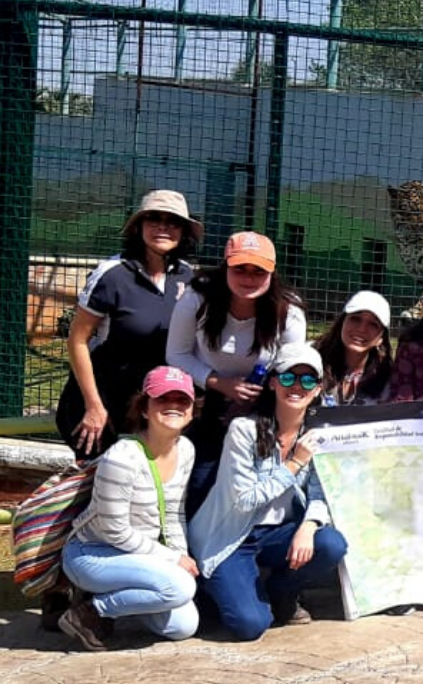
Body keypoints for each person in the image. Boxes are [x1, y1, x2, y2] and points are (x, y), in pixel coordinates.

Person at [188, 344, 348, 640]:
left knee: (330, 544)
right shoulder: (243, 430)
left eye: (307, 380)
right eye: (288, 378)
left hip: (279, 533)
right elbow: (245, 499)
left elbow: (321, 493)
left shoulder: (316, 435)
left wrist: (309, 527)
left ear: (317, 389)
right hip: (232, 536)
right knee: (250, 626)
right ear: (273, 382)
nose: (297, 386)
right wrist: (294, 463)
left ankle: (282, 590)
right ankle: (215, 588)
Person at [57, 366, 200, 651]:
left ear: (192, 410)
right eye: (162, 399)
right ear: (145, 409)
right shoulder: (122, 458)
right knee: (180, 587)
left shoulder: (185, 449)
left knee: (183, 626)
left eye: (182, 400)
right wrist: (172, 560)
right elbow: (114, 530)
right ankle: (91, 611)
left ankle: (114, 604)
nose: (173, 405)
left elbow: (173, 513)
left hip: (139, 555)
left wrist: (181, 555)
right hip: (94, 553)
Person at [166, 231, 307, 513]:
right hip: (207, 400)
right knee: (201, 480)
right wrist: (220, 383)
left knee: (249, 485)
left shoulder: (288, 312)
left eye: (259, 271)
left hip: (263, 402)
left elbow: (291, 366)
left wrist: (258, 400)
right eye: (240, 268)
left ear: (272, 273)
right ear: (225, 267)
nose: (248, 278)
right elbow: (176, 354)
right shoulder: (198, 298)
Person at [57, 190, 200, 461]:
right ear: (138, 227)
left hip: (153, 403)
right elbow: (77, 340)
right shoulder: (113, 274)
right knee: (99, 489)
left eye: (172, 222)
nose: (162, 227)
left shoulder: (187, 276)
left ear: (184, 231)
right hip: (105, 402)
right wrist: (93, 406)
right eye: (153, 219)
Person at [310, 290, 394, 409]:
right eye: (355, 319)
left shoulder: (387, 380)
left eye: (373, 324)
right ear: (342, 322)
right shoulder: (309, 359)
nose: (361, 329)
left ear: (381, 339)